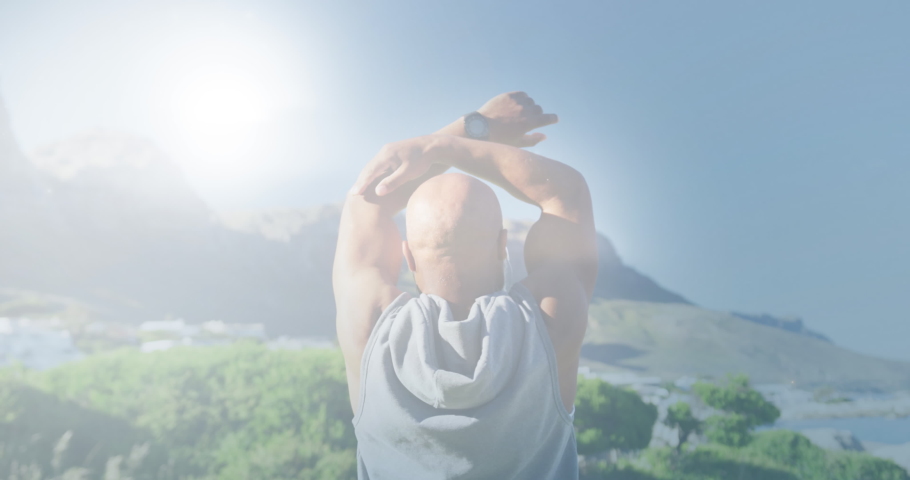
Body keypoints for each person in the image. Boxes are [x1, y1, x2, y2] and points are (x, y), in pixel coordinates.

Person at [333, 92, 597, 479]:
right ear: (502, 245)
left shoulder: (369, 326)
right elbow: (566, 193)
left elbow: (364, 202)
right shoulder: (550, 321)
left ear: (407, 256)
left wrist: (474, 127)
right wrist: (448, 146)